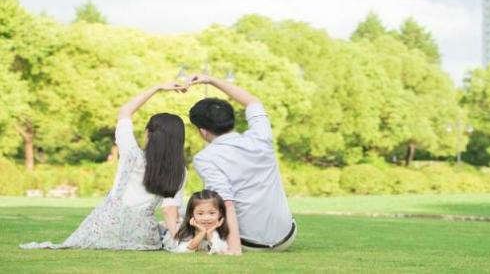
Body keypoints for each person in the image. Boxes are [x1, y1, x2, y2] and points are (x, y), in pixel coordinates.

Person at [20, 82, 188, 250]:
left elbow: (124, 112)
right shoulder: (179, 171)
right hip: (142, 236)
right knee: (165, 227)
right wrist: (176, 240)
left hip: (104, 228)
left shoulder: (131, 154)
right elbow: (169, 210)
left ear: (148, 134)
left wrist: (157, 88)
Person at [168, 74, 296, 254]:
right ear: (231, 120)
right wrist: (210, 80)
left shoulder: (205, 158)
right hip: (286, 236)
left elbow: (226, 203)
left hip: (249, 243)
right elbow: (252, 101)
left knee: (191, 214)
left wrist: (234, 248)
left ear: (203, 132)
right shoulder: (261, 137)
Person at [162, 189, 229, 254]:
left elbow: (221, 251)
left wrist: (209, 233)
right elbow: (183, 251)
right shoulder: (186, 231)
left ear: (220, 213)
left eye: (212, 213)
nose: (206, 218)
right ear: (192, 214)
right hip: (163, 233)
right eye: (200, 214)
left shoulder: (218, 230)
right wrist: (201, 232)